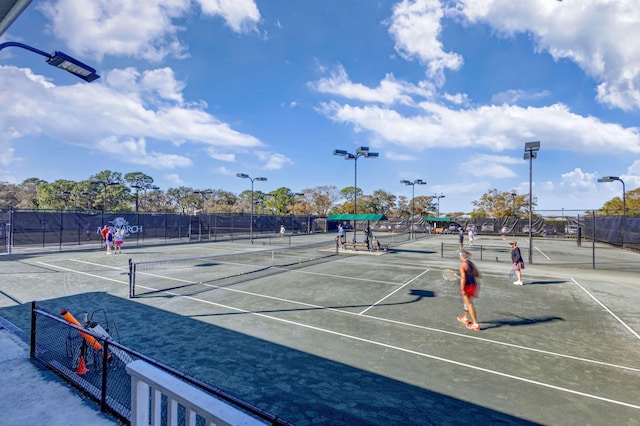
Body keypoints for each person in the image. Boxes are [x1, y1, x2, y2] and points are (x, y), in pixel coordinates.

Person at [457, 249, 480, 330]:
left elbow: (463, 278)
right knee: (467, 303)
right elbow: (477, 274)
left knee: (469, 304)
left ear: (461, 256)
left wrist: (462, 289)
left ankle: (475, 324)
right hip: (473, 285)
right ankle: (465, 318)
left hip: (467, 286)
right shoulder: (471, 263)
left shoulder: (462, 265)